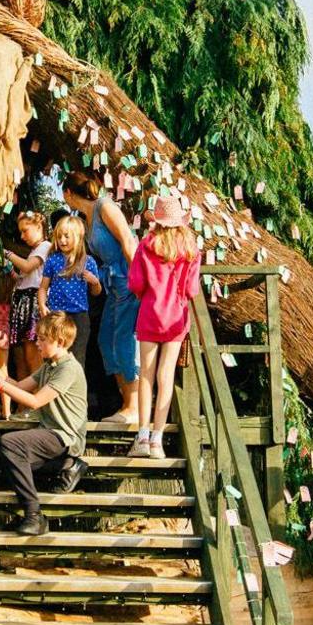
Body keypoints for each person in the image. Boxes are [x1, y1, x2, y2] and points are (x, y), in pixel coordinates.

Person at [0, 311, 88, 538]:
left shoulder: (68, 368)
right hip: (49, 435)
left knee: (9, 444)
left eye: (42, 339)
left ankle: (34, 515)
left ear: (60, 342)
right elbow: (21, 386)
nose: (37, 343)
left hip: (64, 437)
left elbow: (34, 401)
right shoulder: (49, 365)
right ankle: (66, 466)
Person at [124, 192, 202, 460]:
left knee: (146, 375)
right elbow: (192, 289)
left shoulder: (146, 246)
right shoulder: (191, 250)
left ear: (156, 220)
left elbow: (136, 284)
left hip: (149, 314)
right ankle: (158, 441)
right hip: (176, 318)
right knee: (165, 376)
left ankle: (142, 436)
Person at [63, 171, 140, 428]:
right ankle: (125, 401)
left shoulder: (105, 206)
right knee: (106, 339)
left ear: (69, 194)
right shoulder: (83, 219)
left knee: (123, 340)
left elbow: (128, 241)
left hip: (128, 278)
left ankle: (134, 406)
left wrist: (140, 280)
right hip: (112, 284)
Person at [4, 210, 51, 382]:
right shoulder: (35, 250)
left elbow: (27, 266)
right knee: (21, 357)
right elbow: (23, 278)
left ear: (39, 227)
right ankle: (24, 401)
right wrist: (10, 271)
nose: (22, 236)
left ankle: (36, 398)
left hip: (32, 304)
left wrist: (7, 254)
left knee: (32, 355)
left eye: (25, 230)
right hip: (22, 303)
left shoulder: (45, 247)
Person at [44, 212, 100, 346]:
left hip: (79, 316)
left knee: (78, 355)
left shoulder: (88, 261)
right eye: (59, 237)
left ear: (78, 237)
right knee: (53, 354)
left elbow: (96, 292)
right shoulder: (52, 260)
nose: (62, 240)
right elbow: (43, 288)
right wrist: (42, 306)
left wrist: (95, 281)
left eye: (67, 236)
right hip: (56, 314)